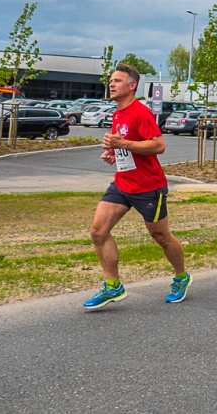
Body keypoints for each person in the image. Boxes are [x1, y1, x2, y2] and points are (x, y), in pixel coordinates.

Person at [84, 64, 190, 310]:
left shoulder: (140, 112)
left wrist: (125, 144)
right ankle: (113, 286)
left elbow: (158, 145)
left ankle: (181, 277)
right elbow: (125, 144)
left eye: (118, 81)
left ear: (132, 85)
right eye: (111, 80)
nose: (112, 84)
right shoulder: (117, 113)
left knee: (160, 236)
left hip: (148, 187)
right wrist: (113, 152)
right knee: (98, 231)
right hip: (122, 183)